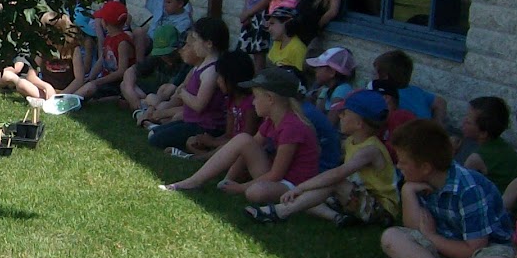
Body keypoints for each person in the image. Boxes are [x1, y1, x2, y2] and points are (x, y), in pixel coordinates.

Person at [379, 118, 515, 258]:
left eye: (403, 161)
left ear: (426, 167)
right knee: (390, 237)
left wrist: (432, 237)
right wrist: (407, 191)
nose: (399, 166)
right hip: (442, 243)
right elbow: (412, 227)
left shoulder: (468, 189)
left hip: (483, 248)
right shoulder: (418, 180)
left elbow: (472, 249)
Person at [161, 66, 320, 204]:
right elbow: (246, 148)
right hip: (278, 179)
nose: (253, 102)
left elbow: (276, 174)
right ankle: (194, 181)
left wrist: (240, 188)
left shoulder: (291, 126)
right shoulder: (272, 120)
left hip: (294, 184)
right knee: (243, 139)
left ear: (270, 99)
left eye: (256, 97)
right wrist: (228, 181)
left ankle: (300, 201)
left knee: (255, 192)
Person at [246, 88, 397, 226]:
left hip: (381, 211)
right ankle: (336, 217)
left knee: (333, 182)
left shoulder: (370, 150)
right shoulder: (351, 141)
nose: (340, 116)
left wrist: (301, 187)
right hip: (357, 199)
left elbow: (338, 173)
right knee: (316, 189)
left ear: (359, 123)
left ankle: (279, 212)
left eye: (344, 113)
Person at [143, 17, 229, 152]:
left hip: (205, 126)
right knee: (153, 134)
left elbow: (199, 105)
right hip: (191, 120)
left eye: (195, 40)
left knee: (155, 139)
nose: (193, 45)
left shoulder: (211, 71)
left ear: (208, 43)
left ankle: (193, 148)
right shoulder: (201, 64)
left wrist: (183, 93)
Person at [457, 96, 517, 195]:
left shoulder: (476, 158)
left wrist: (449, 152)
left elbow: (457, 186)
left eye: (468, 122)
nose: (463, 122)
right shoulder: (506, 147)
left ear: (483, 133)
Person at [371, 50, 447, 128]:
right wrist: (438, 127)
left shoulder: (385, 97)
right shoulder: (416, 91)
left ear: (384, 76)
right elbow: (440, 102)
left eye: (374, 73)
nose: (372, 77)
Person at [263, 7, 308, 73]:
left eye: (272, 23)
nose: (269, 29)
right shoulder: (277, 43)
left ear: (287, 23)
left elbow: (301, 77)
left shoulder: (298, 49)